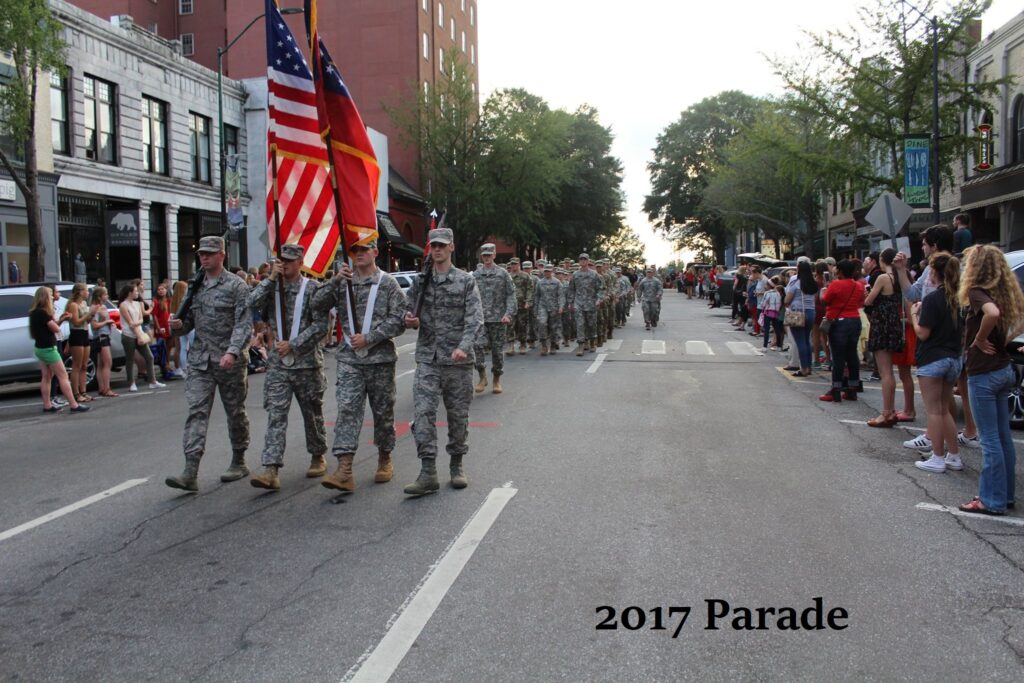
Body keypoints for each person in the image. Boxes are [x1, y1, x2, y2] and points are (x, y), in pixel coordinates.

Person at [316, 241, 407, 492]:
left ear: (375, 252)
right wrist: (335, 281)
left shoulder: (388, 283)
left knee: (383, 413)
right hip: (349, 359)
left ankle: (385, 457)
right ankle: (344, 469)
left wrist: (371, 337)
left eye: (365, 250)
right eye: (355, 251)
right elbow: (316, 305)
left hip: (380, 360)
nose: (359, 255)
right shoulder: (344, 282)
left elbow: (399, 321)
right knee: (347, 410)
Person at [166, 236, 253, 492]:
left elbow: (243, 323)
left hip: (229, 361)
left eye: (210, 254)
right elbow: (190, 321)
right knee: (197, 411)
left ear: (221, 256)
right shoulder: (196, 285)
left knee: (235, 412)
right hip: (201, 360)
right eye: (202, 254)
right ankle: (190, 470)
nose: (204, 258)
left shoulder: (237, 286)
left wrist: (233, 351)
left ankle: (239, 459)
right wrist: (180, 326)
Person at [402, 227, 484, 495]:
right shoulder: (420, 282)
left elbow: (475, 319)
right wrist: (410, 320)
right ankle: (428, 472)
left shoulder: (465, 281)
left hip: (457, 362)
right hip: (428, 358)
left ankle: (457, 464)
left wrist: (463, 346)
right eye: (433, 246)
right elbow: (408, 312)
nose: (436, 249)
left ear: (451, 247)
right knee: (423, 414)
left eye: (441, 245)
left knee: (458, 417)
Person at [246, 243, 330, 491]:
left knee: (312, 414)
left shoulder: (313, 289)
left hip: (306, 364)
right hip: (278, 365)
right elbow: (250, 304)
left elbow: (321, 326)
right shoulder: (272, 289)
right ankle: (271, 468)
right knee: (276, 415)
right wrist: (270, 279)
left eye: (291, 261)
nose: (285, 265)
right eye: (281, 260)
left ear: (301, 263)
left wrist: (294, 344)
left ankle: (317, 454)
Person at [895, 225, 979, 451]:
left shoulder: (938, 272)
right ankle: (956, 442)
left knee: (938, 404)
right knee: (953, 390)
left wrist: (914, 313)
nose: (922, 247)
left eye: (924, 243)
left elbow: (913, 297)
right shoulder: (956, 267)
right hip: (955, 338)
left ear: (934, 246)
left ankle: (938, 443)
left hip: (938, 339)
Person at [958, 245, 1024, 514]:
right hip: (1003, 368)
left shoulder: (977, 292)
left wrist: (980, 339)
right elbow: (1017, 320)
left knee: (990, 440)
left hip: (984, 372)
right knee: (1002, 437)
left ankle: (991, 500)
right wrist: (1004, 340)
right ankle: (1004, 495)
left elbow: (992, 314)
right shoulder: (1004, 293)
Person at [911, 254, 964, 473]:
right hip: (953, 357)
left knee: (935, 411)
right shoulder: (959, 299)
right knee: (944, 410)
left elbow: (923, 333)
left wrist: (914, 315)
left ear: (935, 273)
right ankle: (953, 455)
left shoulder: (933, 299)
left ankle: (938, 457)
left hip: (933, 358)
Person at [863, 248, 906, 426]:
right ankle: (891, 410)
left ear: (883, 260)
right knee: (890, 371)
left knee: (885, 371)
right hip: (894, 323)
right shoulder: (900, 278)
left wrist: (869, 294)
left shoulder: (883, 278)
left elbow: (868, 301)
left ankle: (887, 412)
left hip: (882, 323)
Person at [29, 287, 88, 413]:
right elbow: (55, 328)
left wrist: (60, 320)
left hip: (40, 347)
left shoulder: (35, 312)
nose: (52, 297)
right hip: (48, 349)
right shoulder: (43, 313)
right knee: (63, 375)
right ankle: (73, 404)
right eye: (50, 295)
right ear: (45, 297)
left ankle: (47, 405)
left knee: (46, 376)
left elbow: (51, 326)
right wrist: (62, 320)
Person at [472, 243, 516, 394]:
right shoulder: (476, 275)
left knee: (497, 352)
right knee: (477, 346)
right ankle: (482, 376)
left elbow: (511, 295)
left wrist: (508, 313)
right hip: (480, 319)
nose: (487, 258)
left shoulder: (503, 274)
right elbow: (470, 297)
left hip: (498, 319)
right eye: (484, 255)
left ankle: (496, 379)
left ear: (494, 255)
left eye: (489, 255)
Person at [819, 259, 865, 403]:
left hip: (839, 322)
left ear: (840, 271)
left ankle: (836, 389)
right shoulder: (858, 285)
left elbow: (825, 300)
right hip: (855, 320)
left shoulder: (836, 284)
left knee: (838, 357)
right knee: (852, 355)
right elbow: (860, 302)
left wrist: (824, 291)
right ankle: (852, 389)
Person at [118, 284, 163, 392]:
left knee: (149, 357)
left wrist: (137, 326)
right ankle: (131, 382)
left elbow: (141, 320)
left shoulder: (138, 304)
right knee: (130, 359)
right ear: (130, 293)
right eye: (135, 291)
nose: (137, 293)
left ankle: (152, 381)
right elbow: (130, 323)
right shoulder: (123, 305)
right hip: (128, 335)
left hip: (139, 332)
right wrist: (138, 334)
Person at [784, 260, 818, 376]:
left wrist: (786, 303)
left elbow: (787, 299)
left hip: (797, 312)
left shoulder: (796, 282)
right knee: (807, 340)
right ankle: (808, 367)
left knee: (800, 341)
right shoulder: (813, 283)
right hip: (811, 312)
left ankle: (803, 368)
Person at [568, 253, 604, 354]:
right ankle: (581, 345)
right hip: (578, 303)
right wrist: (570, 303)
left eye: (585, 259)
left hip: (591, 303)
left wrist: (598, 299)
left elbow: (600, 289)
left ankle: (592, 342)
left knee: (591, 324)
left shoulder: (594, 274)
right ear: (579, 261)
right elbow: (571, 290)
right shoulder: (575, 275)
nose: (583, 261)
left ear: (588, 261)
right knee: (580, 324)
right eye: (581, 259)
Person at [65, 282, 93, 403]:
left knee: (84, 365)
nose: (87, 293)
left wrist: (91, 315)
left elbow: (87, 321)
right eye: (86, 290)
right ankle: (76, 393)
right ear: (80, 291)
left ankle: (84, 391)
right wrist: (87, 314)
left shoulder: (84, 303)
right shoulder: (73, 305)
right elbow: (76, 321)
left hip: (85, 332)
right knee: (76, 365)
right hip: (76, 334)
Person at [88, 286, 118, 397]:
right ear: (100, 296)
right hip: (101, 337)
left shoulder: (103, 307)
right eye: (105, 294)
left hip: (105, 335)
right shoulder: (96, 308)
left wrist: (109, 323)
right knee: (107, 363)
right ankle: (106, 388)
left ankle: (102, 387)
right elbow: (94, 325)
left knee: (101, 364)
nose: (107, 296)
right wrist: (107, 322)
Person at [535, 263, 565, 355]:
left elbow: (561, 296)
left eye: (548, 271)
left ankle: (552, 344)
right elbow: (537, 296)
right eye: (545, 271)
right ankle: (544, 345)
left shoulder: (557, 282)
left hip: (554, 307)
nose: (547, 273)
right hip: (542, 306)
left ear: (552, 272)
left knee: (553, 327)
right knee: (542, 323)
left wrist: (561, 307)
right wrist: (535, 309)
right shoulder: (540, 282)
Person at [508, 258, 535, 355]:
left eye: (515, 264)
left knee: (522, 325)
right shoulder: (508, 276)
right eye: (512, 264)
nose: (513, 266)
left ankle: (523, 343)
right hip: (511, 305)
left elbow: (530, 289)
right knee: (510, 325)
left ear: (518, 264)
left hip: (522, 304)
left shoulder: (525, 276)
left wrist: (528, 301)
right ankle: (510, 344)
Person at [151, 282, 174, 381]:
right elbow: (154, 315)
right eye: (159, 289)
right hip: (161, 327)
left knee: (168, 347)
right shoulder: (156, 301)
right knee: (162, 347)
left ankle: (167, 364)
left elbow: (169, 313)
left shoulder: (168, 300)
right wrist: (158, 327)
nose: (161, 291)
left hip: (168, 325)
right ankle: (164, 367)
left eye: (163, 289)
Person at [638, 266, 663, 330]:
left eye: (650, 272)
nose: (649, 273)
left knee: (654, 311)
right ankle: (647, 323)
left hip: (654, 299)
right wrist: (639, 297)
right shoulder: (643, 281)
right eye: (648, 272)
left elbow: (660, 289)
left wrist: (658, 294)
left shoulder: (656, 280)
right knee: (646, 310)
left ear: (653, 273)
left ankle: (653, 320)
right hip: (645, 298)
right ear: (646, 273)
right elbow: (640, 289)